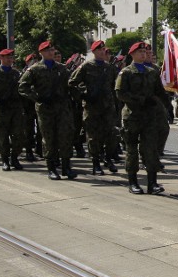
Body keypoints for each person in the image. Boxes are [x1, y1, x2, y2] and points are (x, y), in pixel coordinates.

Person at [115, 41, 166, 195]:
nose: (143, 54)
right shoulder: (126, 73)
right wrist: (142, 100)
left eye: (145, 52)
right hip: (132, 116)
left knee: (151, 149)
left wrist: (165, 106)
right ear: (132, 54)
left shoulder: (151, 72)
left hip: (150, 116)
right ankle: (133, 182)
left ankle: (152, 182)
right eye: (140, 52)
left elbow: (159, 92)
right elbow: (120, 93)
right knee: (132, 150)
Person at [19, 42, 76, 179]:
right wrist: (38, 98)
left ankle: (66, 167)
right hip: (45, 108)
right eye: (48, 50)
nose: (51, 52)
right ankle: (51, 168)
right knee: (48, 138)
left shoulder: (62, 69)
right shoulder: (34, 69)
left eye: (52, 50)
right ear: (41, 53)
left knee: (65, 136)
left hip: (62, 108)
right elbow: (22, 87)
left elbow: (71, 85)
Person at [69, 40, 119, 176]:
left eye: (104, 50)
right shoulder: (86, 67)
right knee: (93, 137)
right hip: (92, 107)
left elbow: (116, 85)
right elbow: (72, 83)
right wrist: (84, 95)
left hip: (108, 107)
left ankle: (109, 159)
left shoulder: (110, 68)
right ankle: (95, 163)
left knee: (111, 134)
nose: (103, 52)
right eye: (100, 50)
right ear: (95, 52)